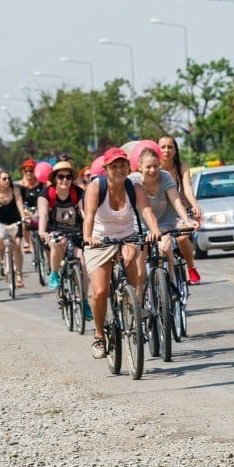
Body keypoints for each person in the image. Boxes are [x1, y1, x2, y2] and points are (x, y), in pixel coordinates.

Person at [83, 148, 161, 359]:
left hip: (127, 237)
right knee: (99, 291)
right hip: (100, 240)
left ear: (128, 167)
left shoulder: (134, 187)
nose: (118, 170)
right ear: (106, 169)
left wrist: (154, 230)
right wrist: (88, 237)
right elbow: (89, 215)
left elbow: (146, 211)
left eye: (122, 165)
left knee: (132, 273)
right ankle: (99, 335)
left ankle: (132, 308)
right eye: (114, 166)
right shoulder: (96, 187)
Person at [129, 143, 199, 290]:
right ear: (139, 167)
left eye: (155, 166)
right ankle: (140, 306)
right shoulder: (132, 181)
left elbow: (176, 200)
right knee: (140, 272)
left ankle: (171, 282)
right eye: (148, 167)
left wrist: (187, 220)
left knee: (165, 247)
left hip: (164, 224)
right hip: (140, 227)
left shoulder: (165, 176)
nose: (152, 170)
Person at [38, 160, 87, 306]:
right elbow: (43, 215)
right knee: (57, 242)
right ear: (55, 179)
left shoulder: (77, 193)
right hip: (55, 232)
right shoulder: (47, 193)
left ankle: (84, 301)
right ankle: (54, 274)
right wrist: (41, 231)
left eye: (68, 177)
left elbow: (84, 213)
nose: (65, 180)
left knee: (83, 263)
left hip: (76, 233)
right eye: (61, 177)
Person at [157, 135, 202, 284]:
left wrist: (194, 205)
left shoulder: (181, 167)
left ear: (175, 150)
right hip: (161, 213)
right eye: (163, 147)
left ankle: (190, 267)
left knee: (182, 237)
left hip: (180, 210)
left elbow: (188, 188)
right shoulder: (154, 168)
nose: (166, 150)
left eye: (170, 147)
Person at [0, 169, 27, 287]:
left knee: (17, 245)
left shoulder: (14, 190)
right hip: (1, 221)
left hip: (15, 220)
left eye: (8, 178)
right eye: (4, 179)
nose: (7, 181)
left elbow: (20, 204)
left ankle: (19, 274)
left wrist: (24, 219)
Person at [17, 159, 47, 254]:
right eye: (26, 171)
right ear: (23, 172)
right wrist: (23, 215)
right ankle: (28, 242)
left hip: (38, 207)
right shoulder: (20, 185)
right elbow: (19, 201)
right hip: (26, 209)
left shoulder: (41, 183)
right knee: (25, 223)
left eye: (31, 170)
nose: (29, 173)